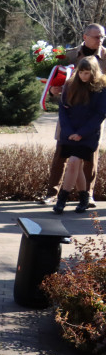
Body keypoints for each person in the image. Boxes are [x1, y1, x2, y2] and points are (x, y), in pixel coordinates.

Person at [42, 24, 106, 205]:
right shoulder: (68, 55)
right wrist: (53, 91)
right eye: (96, 37)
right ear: (85, 36)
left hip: (93, 116)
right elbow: (53, 81)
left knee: (89, 156)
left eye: (102, 37)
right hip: (70, 113)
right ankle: (51, 193)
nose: (100, 40)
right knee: (62, 152)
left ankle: (87, 194)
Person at [52, 57, 106, 213]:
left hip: (88, 134)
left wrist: (81, 133)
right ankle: (84, 198)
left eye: (87, 73)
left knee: (74, 162)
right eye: (81, 72)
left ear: (94, 73)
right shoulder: (70, 84)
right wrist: (69, 132)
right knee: (77, 166)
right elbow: (63, 109)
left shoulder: (102, 88)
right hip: (69, 133)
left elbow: (100, 114)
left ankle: (62, 198)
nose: (83, 76)